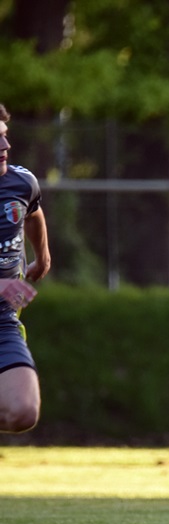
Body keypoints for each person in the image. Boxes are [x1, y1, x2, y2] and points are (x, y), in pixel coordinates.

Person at [0, 103, 51, 433]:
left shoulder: (21, 182)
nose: (5, 145)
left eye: (4, 136)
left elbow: (33, 212)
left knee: (23, 411)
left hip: (1, 319)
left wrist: (42, 257)